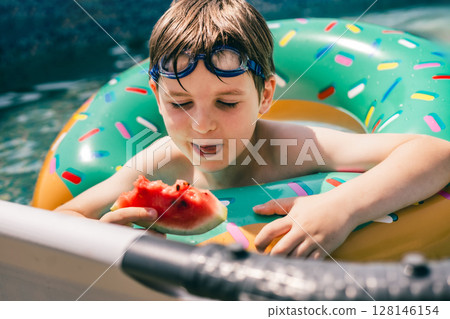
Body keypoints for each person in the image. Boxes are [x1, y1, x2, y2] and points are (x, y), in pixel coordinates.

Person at [55, 0, 450, 259]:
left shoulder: (294, 147)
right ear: (156, 97)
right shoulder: (160, 162)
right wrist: (101, 239)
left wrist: (342, 207)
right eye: (179, 103)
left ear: (264, 98)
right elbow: (66, 215)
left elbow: (436, 154)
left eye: (226, 103)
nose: (202, 124)